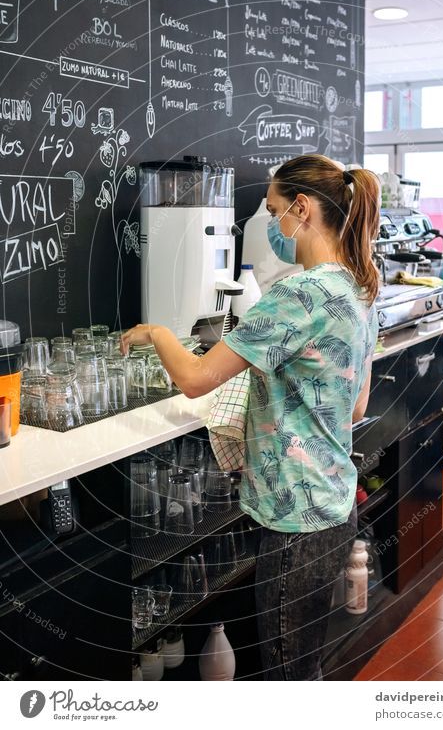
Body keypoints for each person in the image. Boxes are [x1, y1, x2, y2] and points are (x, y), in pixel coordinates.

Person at [121, 154, 381, 680]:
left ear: (302, 210)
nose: (269, 225)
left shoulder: (296, 295)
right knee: (303, 668)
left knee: (286, 677)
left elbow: (195, 380)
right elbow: (356, 405)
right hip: (333, 507)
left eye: (272, 210)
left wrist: (158, 333)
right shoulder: (359, 289)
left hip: (293, 520)